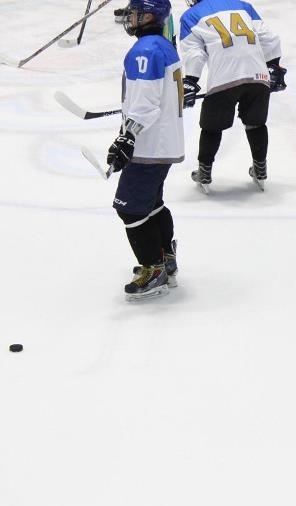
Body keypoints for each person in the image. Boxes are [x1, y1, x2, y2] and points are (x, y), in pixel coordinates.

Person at [105, 0, 185, 301]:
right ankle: (166, 258)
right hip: (164, 141)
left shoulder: (145, 50)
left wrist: (127, 138)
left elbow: (146, 104)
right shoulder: (163, 46)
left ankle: (154, 270)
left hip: (150, 145)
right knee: (152, 204)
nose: (130, 17)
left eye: (135, 13)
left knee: (129, 208)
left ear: (148, 16)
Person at [178, 0, 286, 193]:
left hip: (223, 78)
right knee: (256, 123)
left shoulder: (190, 15)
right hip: (258, 75)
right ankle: (260, 169)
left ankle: (204, 172)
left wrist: (191, 81)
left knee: (211, 127)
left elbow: (194, 54)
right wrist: (274, 66)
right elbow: (269, 38)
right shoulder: (243, 6)